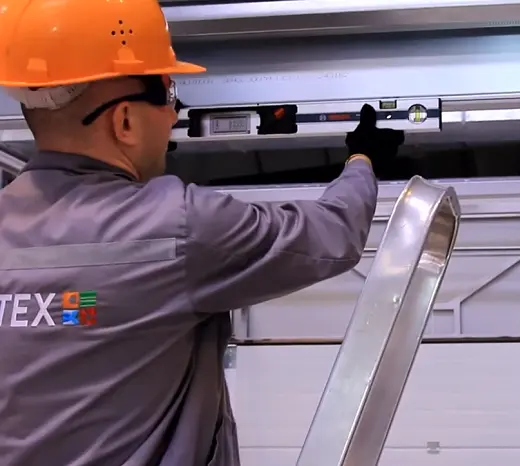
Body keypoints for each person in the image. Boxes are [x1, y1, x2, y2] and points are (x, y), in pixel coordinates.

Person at [0, 0, 405, 465]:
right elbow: (333, 232)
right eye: (169, 95)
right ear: (124, 121)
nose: (174, 116)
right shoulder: (179, 227)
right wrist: (361, 160)